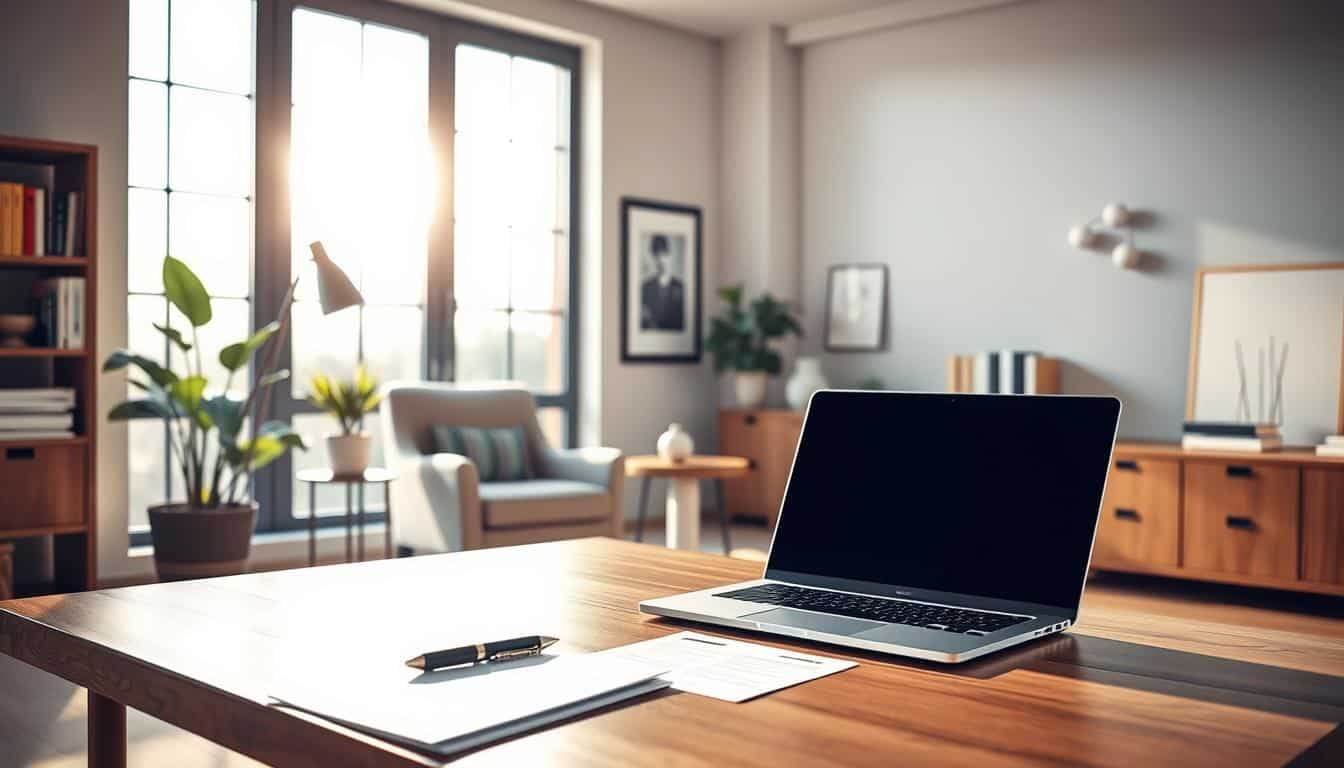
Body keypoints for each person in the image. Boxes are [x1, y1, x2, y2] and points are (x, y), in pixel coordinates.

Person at [640, 234, 685, 331]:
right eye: (657, 256)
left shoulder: (681, 287)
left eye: (664, 255)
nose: (660, 260)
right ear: (653, 258)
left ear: (670, 256)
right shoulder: (645, 288)